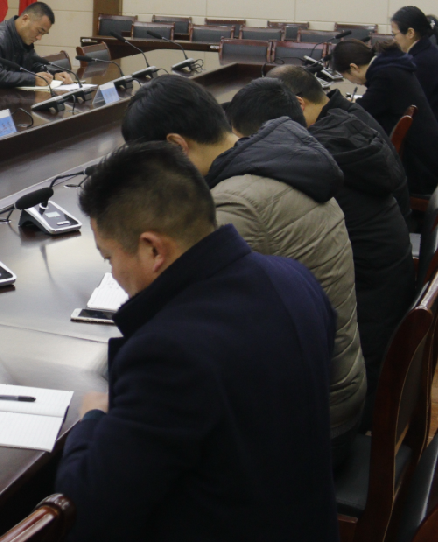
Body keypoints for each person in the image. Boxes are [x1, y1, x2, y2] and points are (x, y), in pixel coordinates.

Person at [56, 141, 338, 542]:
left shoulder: (167, 354)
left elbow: (89, 512)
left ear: (153, 249)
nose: (114, 274)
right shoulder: (295, 279)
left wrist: (93, 421)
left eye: (109, 258)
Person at [120, 75, 366, 447]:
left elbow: (170, 312)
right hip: (336, 388)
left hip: (311, 424)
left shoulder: (236, 203)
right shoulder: (280, 159)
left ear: (177, 146)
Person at [271, 65, 416, 416]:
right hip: (386, 280)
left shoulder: (326, 151)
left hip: (365, 327)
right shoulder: (346, 122)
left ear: (298, 105)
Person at [332, 39, 438, 198]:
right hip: (428, 157)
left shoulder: (385, 76)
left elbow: (359, 112)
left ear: (354, 68)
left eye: (345, 76)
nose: (350, 81)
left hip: (420, 169)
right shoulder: (390, 67)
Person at [391, 6, 438, 165]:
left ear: (410, 33)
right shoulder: (425, 51)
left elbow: (406, 105)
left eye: (394, 34)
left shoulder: (420, 61)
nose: (394, 40)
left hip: (437, 144)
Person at [0, 1, 74, 89]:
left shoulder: (24, 38)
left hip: (6, 97)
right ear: (25, 19)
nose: (39, 38)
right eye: (39, 31)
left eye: (43, 34)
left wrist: (54, 74)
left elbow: (33, 64)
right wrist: (33, 79)